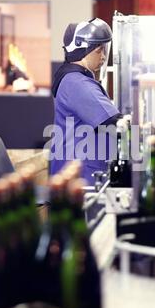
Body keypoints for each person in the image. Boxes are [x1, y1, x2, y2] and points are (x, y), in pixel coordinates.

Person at [50, 18, 122, 185]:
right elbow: (113, 122)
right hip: (79, 175)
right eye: (99, 50)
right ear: (83, 49)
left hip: (78, 169)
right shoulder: (77, 83)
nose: (104, 56)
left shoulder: (74, 79)